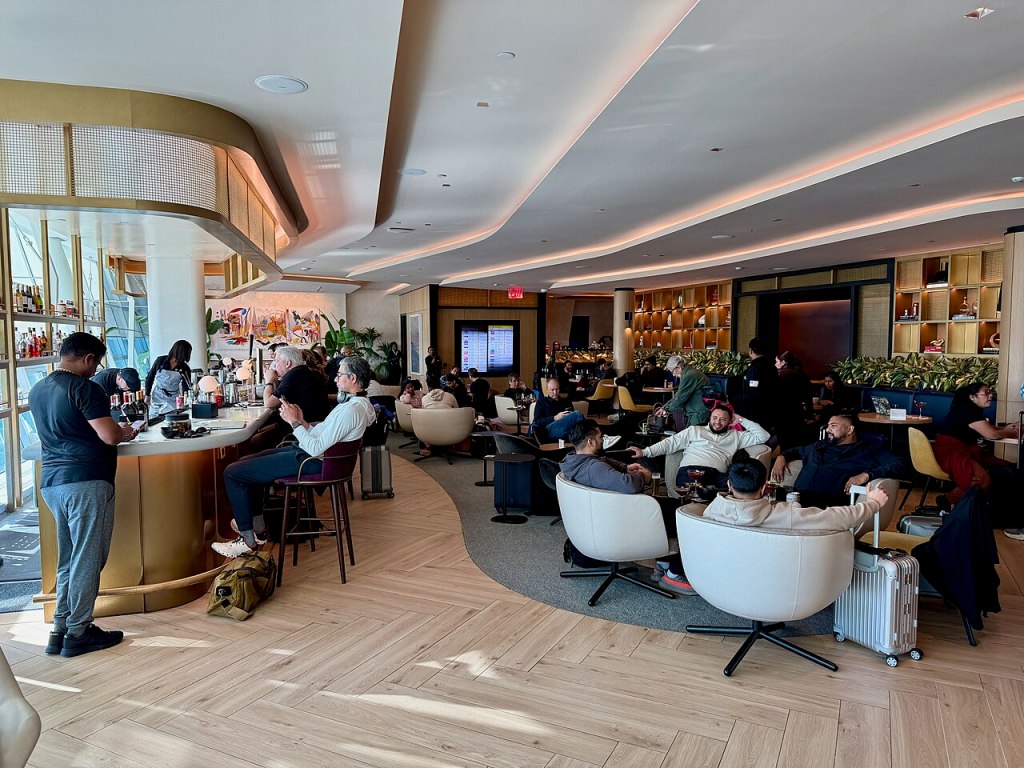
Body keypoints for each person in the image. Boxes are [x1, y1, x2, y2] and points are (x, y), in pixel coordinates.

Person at [28, 332, 139, 657]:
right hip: (87, 479)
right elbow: (108, 436)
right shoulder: (85, 388)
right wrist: (124, 430)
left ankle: (60, 629)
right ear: (88, 358)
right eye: (96, 362)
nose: (96, 369)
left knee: (69, 558)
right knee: (88, 557)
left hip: (52, 482)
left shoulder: (38, 389)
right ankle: (79, 631)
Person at [213, 355, 377, 557]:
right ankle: (258, 531)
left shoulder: (351, 410)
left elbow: (316, 447)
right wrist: (301, 421)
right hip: (311, 456)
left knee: (233, 472)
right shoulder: (354, 406)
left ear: (353, 379)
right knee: (245, 463)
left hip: (312, 462)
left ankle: (248, 540)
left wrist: (294, 424)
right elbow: (321, 435)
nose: (335, 378)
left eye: (340, 374)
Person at [560, 418, 695, 595]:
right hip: (616, 524)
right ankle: (674, 573)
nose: (603, 440)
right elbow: (630, 486)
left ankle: (663, 564)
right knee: (680, 513)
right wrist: (644, 478)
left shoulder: (573, 461)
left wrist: (624, 468)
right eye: (601, 437)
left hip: (601, 518)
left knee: (667, 508)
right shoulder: (593, 468)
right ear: (590, 442)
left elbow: (603, 461)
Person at [698, 459, 885, 532]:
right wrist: (873, 504)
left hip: (721, 581)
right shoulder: (786, 515)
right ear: (764, 488)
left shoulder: (711, 510)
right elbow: (838, 519)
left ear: (729, 485)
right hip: (775, 586)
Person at [933, 383, 1021, 533]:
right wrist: (1011, 433)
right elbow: (990, 434)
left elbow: (986, 428)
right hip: (952, 453)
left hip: (963, 450)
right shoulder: (969, 410)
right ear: (972, 397)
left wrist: (1005, 429)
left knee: (1008, 466)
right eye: (985, 393)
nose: (990, 395)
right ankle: (947, 500)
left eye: (991, 392)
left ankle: (987, 512)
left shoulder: (971, 409)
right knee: (983, 480)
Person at [771, 413, 907, 508]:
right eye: (828, 425)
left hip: (829, 507)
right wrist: (781, 457)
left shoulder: (868, 449)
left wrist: (867, 475)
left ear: (850, 429)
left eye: (834, 426)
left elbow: (901, 464)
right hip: (795, 501)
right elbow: (795, 451)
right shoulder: (820, 445)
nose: (828, 429)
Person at [630, 402, 769, 491]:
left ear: (730, 422)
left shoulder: (736, 436)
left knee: (738, 487)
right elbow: (670, 443)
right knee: (701, 492)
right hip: (691, 471)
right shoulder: (695, 430)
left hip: (717, 475)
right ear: (710, 418)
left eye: (723, 419)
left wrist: (741, 420)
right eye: (714, 418)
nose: (717, 422)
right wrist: (645, 451)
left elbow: (764, 436)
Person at [655, 355, 709, 431]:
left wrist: (666, 409)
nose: (673, 374)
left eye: (672, 371)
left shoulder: (689, 375)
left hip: (698, 414)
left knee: (694, 438)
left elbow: (680, 398)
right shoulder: (690, 373)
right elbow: (679, 396)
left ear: (678, 367)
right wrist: (664, 407)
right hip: (697, 412)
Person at [774, 351, 814, 449]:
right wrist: (810, 415)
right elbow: (808, 397)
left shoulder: (778, 375)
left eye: (777, 361)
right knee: (797, 442)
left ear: (783, 362)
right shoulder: (802, 375)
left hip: (781, 414)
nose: (775, 364)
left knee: (784, 443)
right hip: (797, 412)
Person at [736, 337, 778, 430]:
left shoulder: (755, 369)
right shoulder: (772, 366)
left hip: (755, 414)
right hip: (769, 412)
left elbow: (752, 394)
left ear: (751, 351)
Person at [145, 339, 193, 413]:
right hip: (157, 396)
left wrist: (185, 400)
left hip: (173, 399)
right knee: (154, 418)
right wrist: (147, 394)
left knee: (171, 418)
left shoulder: (184, 368)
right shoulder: (160, 361)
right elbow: (150, 377)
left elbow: (186, 386)